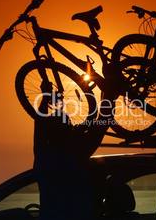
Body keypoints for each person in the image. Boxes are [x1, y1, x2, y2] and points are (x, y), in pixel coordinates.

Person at [33, 81, 116, 220]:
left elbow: (40, 126)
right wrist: (111, 93)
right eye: (71, 125)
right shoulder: (78, 152)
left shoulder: (44, 156)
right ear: (70, 132)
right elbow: (103, 121)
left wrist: (46, 97)